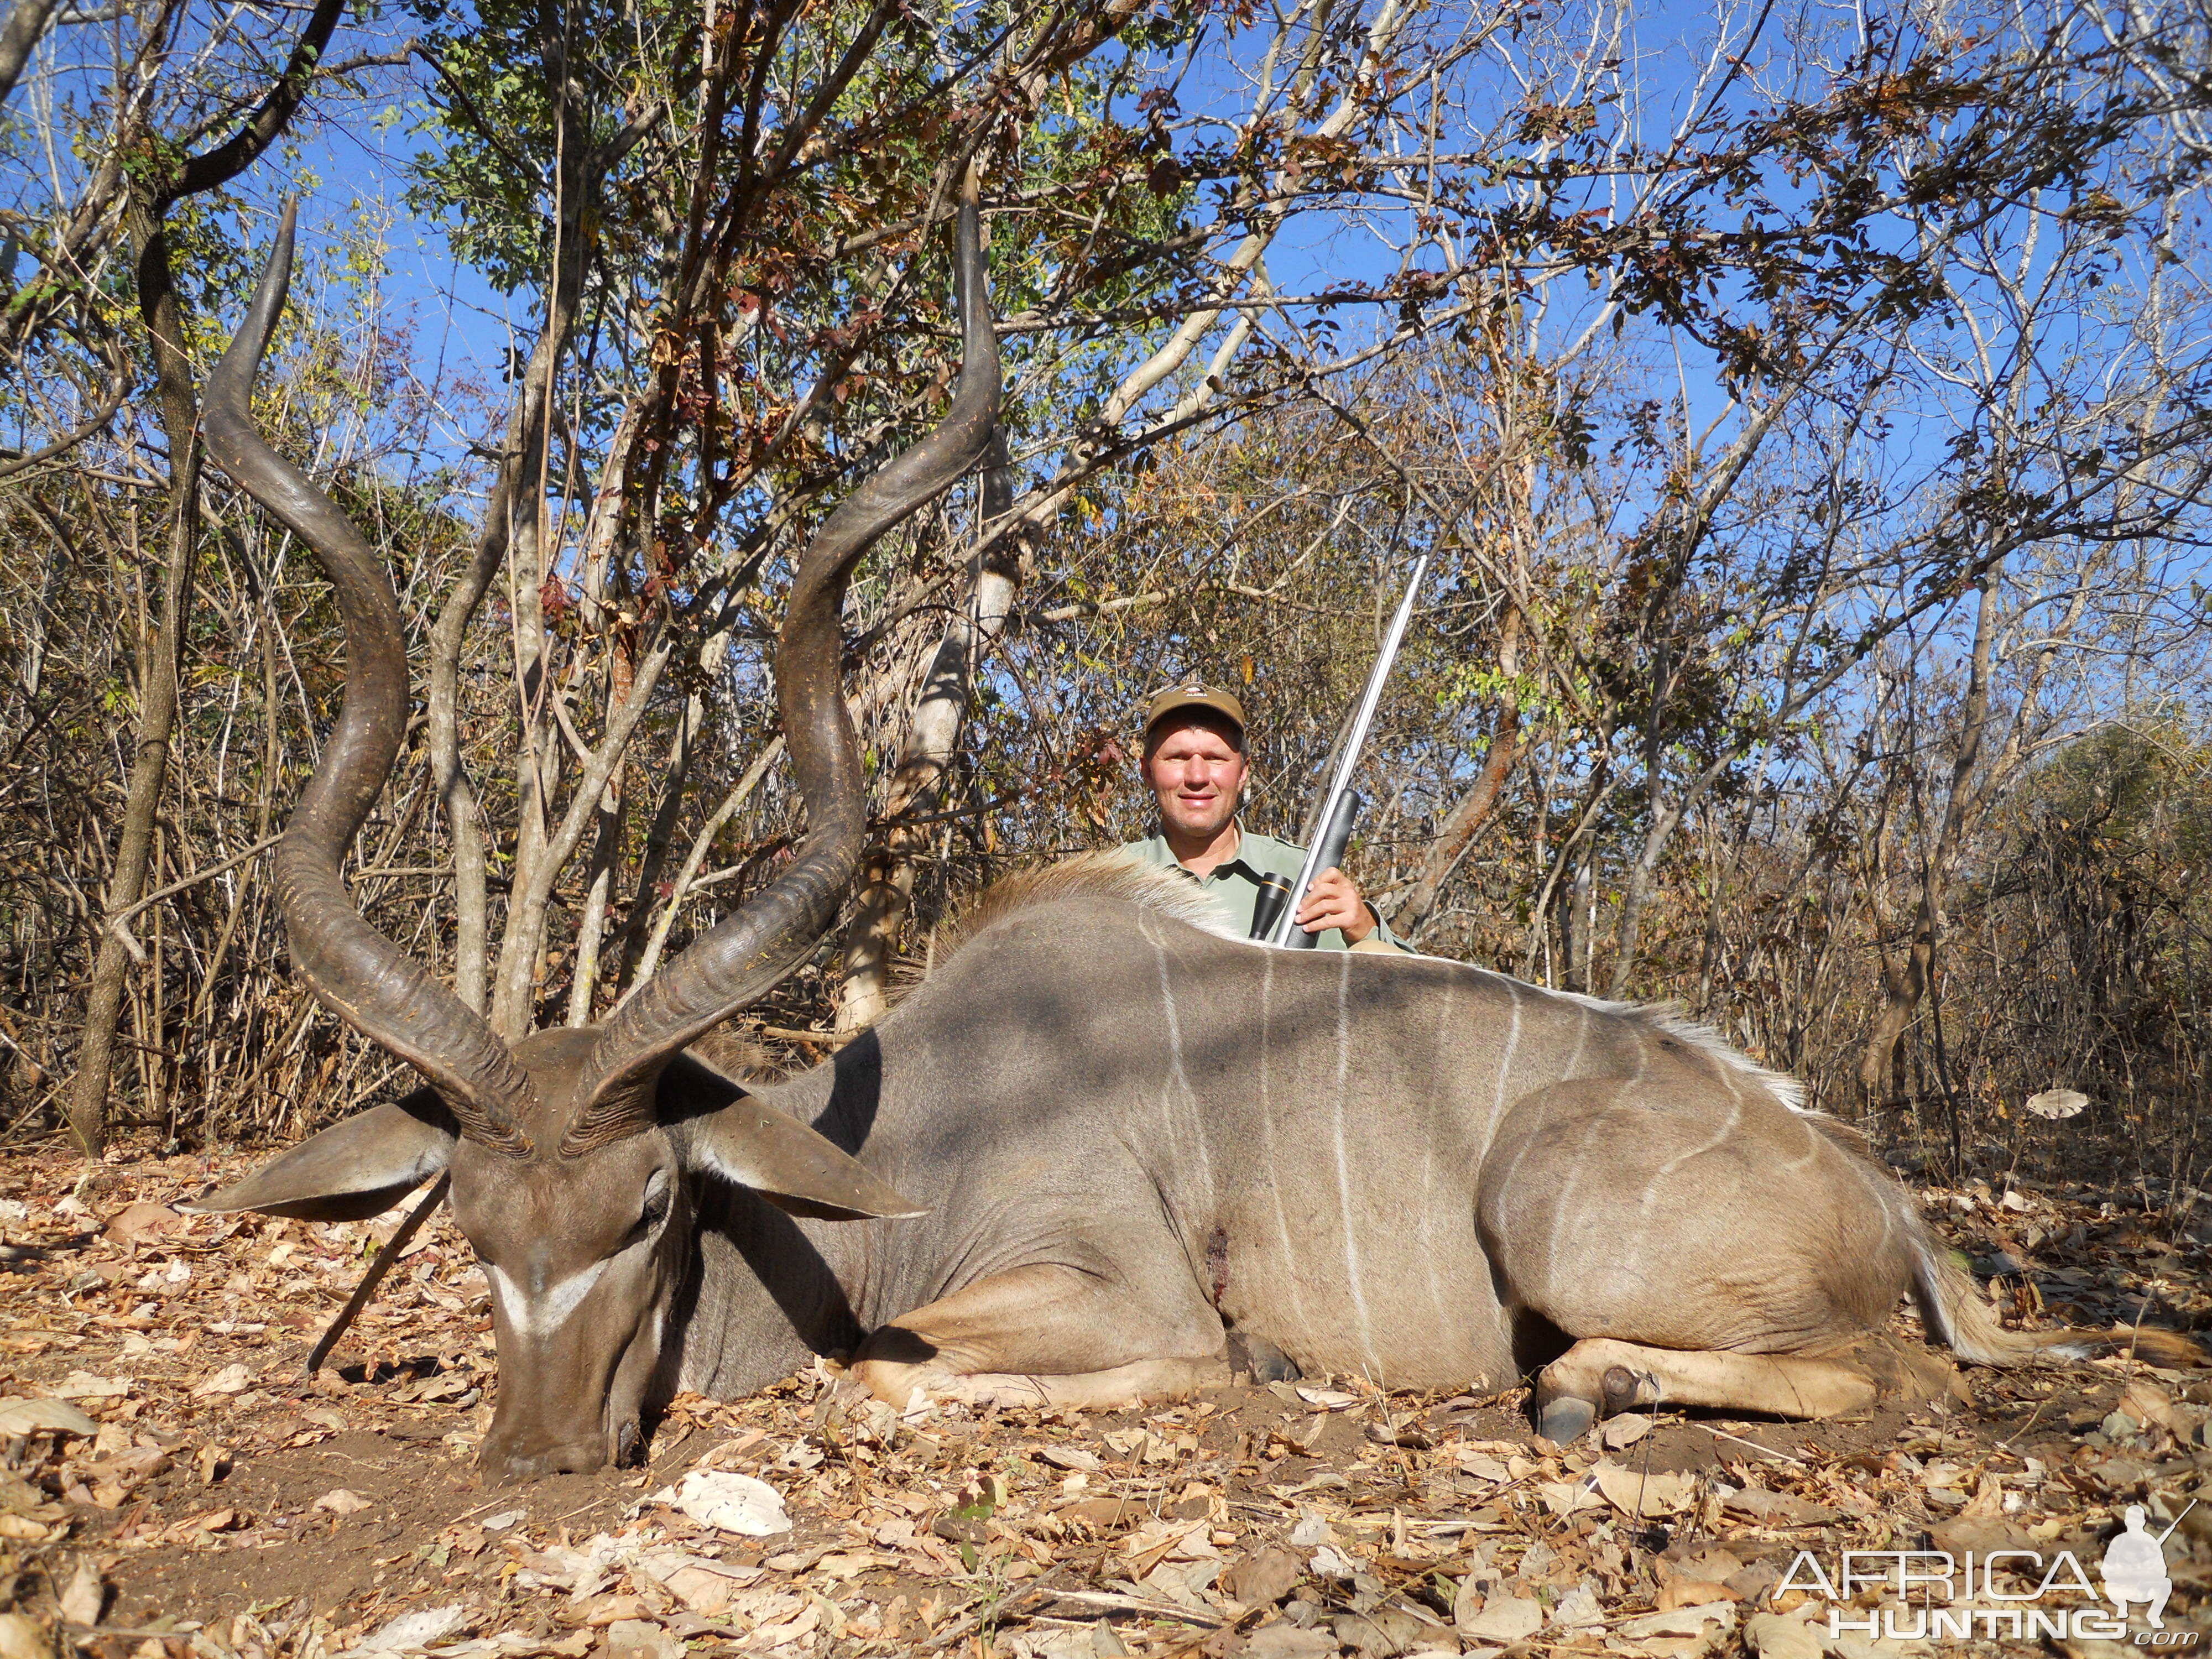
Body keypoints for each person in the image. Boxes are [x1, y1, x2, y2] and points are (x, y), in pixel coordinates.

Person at [1117, 682, 1409, 952]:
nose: (1197, 777)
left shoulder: (1306, 876)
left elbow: (1421, 993)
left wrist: (1364, 930)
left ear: (1243, 772)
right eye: (1178, 758)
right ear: (1147, 771)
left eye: (1215, 758)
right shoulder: (1111, 882)